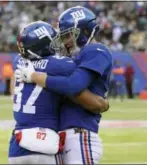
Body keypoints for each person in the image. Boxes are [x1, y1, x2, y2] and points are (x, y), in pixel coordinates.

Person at [16, 6, 112, 164]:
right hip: (58, 137)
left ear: (84, 31)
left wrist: (35, 76)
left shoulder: (97, 50)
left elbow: (74, 85)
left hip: (80, 133)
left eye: (68, 35)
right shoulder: (68, 59)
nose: (65, 42)